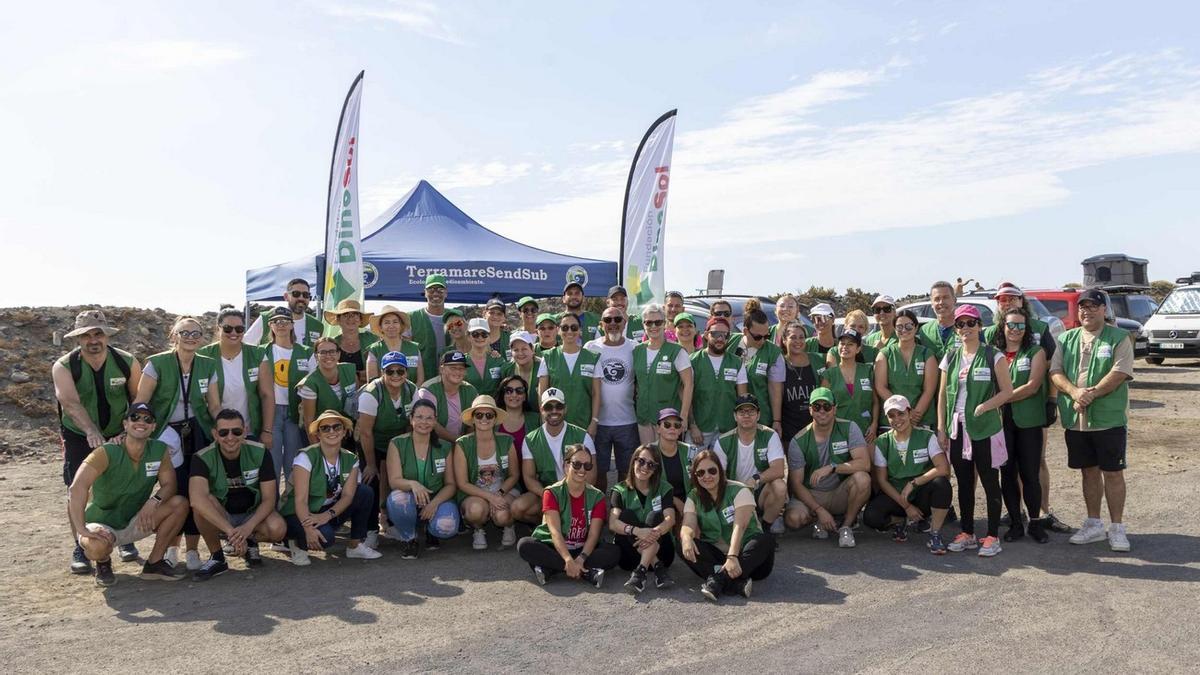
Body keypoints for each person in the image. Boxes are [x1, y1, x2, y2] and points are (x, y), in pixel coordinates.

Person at [53, 310, 142, 574]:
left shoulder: (126, 361)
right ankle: (80, 545)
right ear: (78, 339)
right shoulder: (65, 365)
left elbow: (138, 399)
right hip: (79, 434)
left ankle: (123, 539)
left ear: (107, 335)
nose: (93, 340)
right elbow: (69, 402)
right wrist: (91, 431)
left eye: (98, 333)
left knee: (122, 485)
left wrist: (127, 431)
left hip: (119, 431)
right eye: (86, 335)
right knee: (77, 489)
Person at [1049, 289, 1134, 552]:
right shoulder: (1066, 338)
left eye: (1093, 306)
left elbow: (1120, 372)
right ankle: (1094, 524)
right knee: (1088, 471)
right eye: (1082, 307)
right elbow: (1056, 371)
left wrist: (1090, 395)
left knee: (1113, 472)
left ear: (1104, 310)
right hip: (1077, 420)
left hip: (1108, 419)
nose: (1086, 311)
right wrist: (1074, 392)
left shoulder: (1119, 337)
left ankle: (1117, 528)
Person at [69, 403, 190, 586]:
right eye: (135, 417)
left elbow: (170, 485)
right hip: (102, 522)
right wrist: (82, 529)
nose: (141, 422)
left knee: (179, 504)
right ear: (125, 424)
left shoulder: (158, 450)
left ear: (153, 427)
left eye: (147, 419)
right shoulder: (107, 451)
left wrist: (154, 501)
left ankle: (154, 564)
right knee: (95, 548)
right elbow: (76, 488)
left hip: (137, 518)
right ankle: (102, 563)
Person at [135, 316, 220, 571]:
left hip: (198, 431)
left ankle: (193, 550)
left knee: (197, 490)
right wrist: (138, 432)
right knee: (174, 490)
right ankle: (172, 547)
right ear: (174, 336)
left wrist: (222, 428)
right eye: (185, 332)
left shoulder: (208, 364)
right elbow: (141, 401)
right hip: (165, 434)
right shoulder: (157, 363)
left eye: (197, 333)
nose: (191, 337)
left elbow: (214, 405)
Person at [983, 283, 1070, 534]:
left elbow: (1053, 368)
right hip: (1000, 418)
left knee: (1034, 464)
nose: (1007, 303)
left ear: (1022, 301)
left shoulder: (1040, 331)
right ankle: (1015, 517)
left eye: (1012, 298)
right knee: (1007, 470)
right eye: (1002, 300)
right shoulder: (990, 335)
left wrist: (1052, 400)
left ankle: (1041, 514)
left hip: (1032, 412)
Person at [937, 304, 1014, 557]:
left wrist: (986, 405)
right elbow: (942, 396)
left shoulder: (994, 355)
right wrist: (941, 427)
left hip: (985, 428)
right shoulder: (950, 356)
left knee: (991, 481)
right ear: (956, 328)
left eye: (971, 323)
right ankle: (967, 532)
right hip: (958, 428)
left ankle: (992, 536)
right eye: (960, 324)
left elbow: (1007, 391)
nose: (966, 328)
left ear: (980, 326)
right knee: (964, 482)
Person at [188, 409, 287, 580]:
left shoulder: (260, 452)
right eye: (223, 432)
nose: (230, 437)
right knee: (202, 506)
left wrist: (247, 528)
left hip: (251, 515)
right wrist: (231, 531)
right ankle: (217, 557)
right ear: (215, 434)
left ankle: (249, 542)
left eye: (237, 431)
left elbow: (269, 499)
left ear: (245, 431)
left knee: (278, 528)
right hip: (222, 516)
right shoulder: (202, 457)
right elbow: (196, 500)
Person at [280, 410, 380, 564]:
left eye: (337, 427)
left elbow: (347, 496)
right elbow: (300, 501)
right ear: (318, 434)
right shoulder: (305, 457)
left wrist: (327, 515)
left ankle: (355, 546)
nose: (331, 431)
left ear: (344, 431)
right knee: (326, 539)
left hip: (324, 511)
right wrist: (308, 528)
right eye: (325, 428)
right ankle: (294, 541)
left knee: (364, 492)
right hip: (299, 512)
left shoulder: (350, 458)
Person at [516, 444, 619, 587]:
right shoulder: (551, 493)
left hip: (582, 549)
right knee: (525, 545)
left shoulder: (597, 496)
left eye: (587, 466)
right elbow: (555, 531)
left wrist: (581, 559)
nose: (582, 470)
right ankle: (587, 574)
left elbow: (594, 534)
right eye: (576, 464)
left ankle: (551, 570)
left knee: (614, 552)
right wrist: (567, 560)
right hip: (555, 546)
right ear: (566, 466)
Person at [680, 449, 775, 602]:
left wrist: (732, 556)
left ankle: (718, 580)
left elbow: (740, 526)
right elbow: (688, 523)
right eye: (701, 473)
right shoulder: (694, 496)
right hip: (718, 557)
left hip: (748, 558)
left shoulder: (739, 489)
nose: (707, 476)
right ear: (695, 476)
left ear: (720, 470)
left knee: (766, 540)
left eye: (712, 470)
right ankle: (736, 584)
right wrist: (685, 537)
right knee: (683, 543)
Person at [863, 395, 953, 554]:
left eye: (901, 413)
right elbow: (882, 481)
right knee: (871, 517)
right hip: (897, 496)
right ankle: (901, 520)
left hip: (920, 494)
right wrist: (906, 506)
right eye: (891, 415)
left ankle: (935, 533)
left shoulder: (927, 436)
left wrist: (914, 482)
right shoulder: (882, 442)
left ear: (910, 413)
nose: (897, 419)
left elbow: (943, 468)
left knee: (942, 484)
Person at [784, 387, 871, 547]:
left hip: (839, 492)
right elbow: (796, 484)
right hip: (813, 494)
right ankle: (818, 520)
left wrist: (833, 467)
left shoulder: (849, 428)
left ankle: (846, 525)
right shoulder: (799, 440)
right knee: (793, 519)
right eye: (817, 407)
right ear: (810, 410)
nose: (822, 411)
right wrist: (819, 510)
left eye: (827, 406)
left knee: (863, 479)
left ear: (835, 408)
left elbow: (864, 463)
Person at [993, 308, 1050, 543]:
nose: (1015, 330)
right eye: (1011, 325)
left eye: (1020, 325)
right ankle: (1016, 523)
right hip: (1000, 423)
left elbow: (1032, 386)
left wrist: (998, 399)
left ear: (1026, 329)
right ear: (1003, 327)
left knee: (1029, 474)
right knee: (1006, 474)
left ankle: (1035, 524)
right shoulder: (994, 354)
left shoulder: (1035, 352)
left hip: (1029, 422)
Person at [356, 351, 418, 547]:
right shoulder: (371, 393)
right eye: (390, 371)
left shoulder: (412, 390)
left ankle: (392, 523)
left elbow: (411, 425)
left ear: (406, 372)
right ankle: (371, 530)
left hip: (397, 441)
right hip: (371, 440)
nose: (396, 375)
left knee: (398, 479)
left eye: (400, 370)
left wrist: (407, 454)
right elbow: (365, 432)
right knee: (371, 480)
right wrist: (372, 464)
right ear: (382, 372)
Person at [385, 400, 460, 559]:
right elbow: (394, 481)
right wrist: (413, 484)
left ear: (435, 420)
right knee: (397, 499)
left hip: (437, 499)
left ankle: (431, 531)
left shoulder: (445, 447)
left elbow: (451, 485)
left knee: (446, 527)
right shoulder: (397, 443)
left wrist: (434, 503)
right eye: (419, 417)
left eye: (429, 418)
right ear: (411, 419)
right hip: (409, 497)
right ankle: (409, 538)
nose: (424, 422)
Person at [511, 388, 597, 523]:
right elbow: (529, 478)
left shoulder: (582, 436)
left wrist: (571, 496)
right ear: (541, 409)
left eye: (559, 406)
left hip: (577, 493)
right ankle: (547, 526)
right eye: (548, 407)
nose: (554, 411)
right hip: (547, 492)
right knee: (517, 508)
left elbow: (591, 476)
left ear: (565, 409)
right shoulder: (531, 439)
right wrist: (549, 495)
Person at [715, 395, 788, 535]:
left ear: (758, 415)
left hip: (759, 490)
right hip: (733, 492)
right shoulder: (722, 441)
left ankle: (765, 530)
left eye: (751, 411)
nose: (746, 415)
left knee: (779, 486)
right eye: (741, 412)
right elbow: (719, 477)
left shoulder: (770, 435)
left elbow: (778, 470)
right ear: (735, 416)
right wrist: (738, 489)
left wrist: (755, 478)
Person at [584, 306, 639, 491]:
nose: (613, 324)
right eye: (608, 320)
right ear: (601, 324)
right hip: (598, 422)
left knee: (627, 471)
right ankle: (599, 510)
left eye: (617, 319)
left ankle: (621, 508)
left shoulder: (635, 347)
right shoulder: (591, 347)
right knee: (598, 471)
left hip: (628, 420)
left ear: (625, 323)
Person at [257, 307, 315, 482]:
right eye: (276, 321)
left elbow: (314, 383)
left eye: (285, 321)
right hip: (270, 413)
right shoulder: (260, 351)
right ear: (270, 326)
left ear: (292, 325)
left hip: (295, 414)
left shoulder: (306, 352)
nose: (281, 324)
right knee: (271, 463)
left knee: (293, 463)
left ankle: (290, 505)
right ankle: (271, 505)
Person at [454, 395, 520, 550]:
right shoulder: (462, 444)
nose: (484, 418)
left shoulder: (507, 441)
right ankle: (478, 529)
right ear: (473, 418)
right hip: (475, 494)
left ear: (495, 418)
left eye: (489, 415)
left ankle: (509, 526)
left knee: (502, 516)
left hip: (504, 491)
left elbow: (514, 475)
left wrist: (499, 494)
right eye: (479, 415)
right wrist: (490, 497)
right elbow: (462, 483)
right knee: (475, 512)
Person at [608, 445, 676, 593]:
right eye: (641, 461)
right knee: (625, 515)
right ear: (633, 462)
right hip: (629, 557)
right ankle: (657, 568)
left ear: (656, 469)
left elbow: (670, 519)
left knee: (656, 516)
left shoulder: (665, 488)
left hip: (663, 553)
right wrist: (637, 531)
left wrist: (654, 532)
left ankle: (640, 572)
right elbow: (613, 524)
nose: (645, 467)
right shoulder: (619, 490)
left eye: (651, 464)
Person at [197, 308, 268, 441]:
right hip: (215, 431)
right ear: (218, 329)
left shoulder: (257, 354)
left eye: (239, 329)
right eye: (228, 329)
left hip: (249, 431)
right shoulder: (203, 355)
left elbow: (267, 394)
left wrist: (267, 430)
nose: (234, 333)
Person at [632, 303, 694, 444]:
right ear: (644, 325)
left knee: (667, 459)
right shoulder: (637, 351)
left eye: (658, 322)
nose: (653, 326)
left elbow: (688, 384)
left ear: (665, 324)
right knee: (649, 459)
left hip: (668, 420)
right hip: (644, 417)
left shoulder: (677, 351)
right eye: (649, 322)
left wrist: (684, 415)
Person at [688, 317, 748, 449]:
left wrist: (739, 428)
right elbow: (686, 397)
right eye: (715, 334)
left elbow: (742, 399)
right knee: (692, 467)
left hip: (727, 429)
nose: (720, 338)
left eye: (725, 335)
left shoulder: (737, 363)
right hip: (699, 429)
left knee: (723, 468)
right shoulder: (692, 361)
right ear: (706, 335)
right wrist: (692, 426)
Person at [875, 309, 938, 430]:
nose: (904, 330)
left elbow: (929, 390)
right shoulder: (885, 354)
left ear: (915, 328)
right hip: (893, 421)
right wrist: (901, 411)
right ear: (894, 329)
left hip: (920, 419)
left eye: (909, 326)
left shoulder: (927, 355)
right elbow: (880, 387)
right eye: (899, 327)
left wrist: (913, 416)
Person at [537, 313, 600, 432]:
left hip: (584, 423)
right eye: (565, 328)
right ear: (558, 330)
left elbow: (596, 393)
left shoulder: (592, 358)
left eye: (574, 327)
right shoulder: (549, 357)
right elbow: (542, 391)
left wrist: (594, 421)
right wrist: (544, 419)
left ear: (580, 330)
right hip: (555, 422)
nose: (569, 331)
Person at [820, 328, 879, 442]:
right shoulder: (829, 375)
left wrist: (874, 424)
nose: (845, 347)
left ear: (858, 349)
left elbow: (875, 402)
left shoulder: (868, 370)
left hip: (866, 431)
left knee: (866, 459)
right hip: (837, 432)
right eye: (842, 343)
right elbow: (823, 406)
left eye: (850, 344)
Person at [297, 337, 357, 444]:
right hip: (319, 434)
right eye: (323, 352)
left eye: (332, 351)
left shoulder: (350, 370)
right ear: (316, 356)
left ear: (338, 354)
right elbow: (308, 422)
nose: (328, 355)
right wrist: (318, 450)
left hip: (346, 431)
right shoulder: (309, 384)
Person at [738, 301, 785, 436]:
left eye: (767, 336)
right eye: (758, 337)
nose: (763, 341)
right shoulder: (730, 343)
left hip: (760, 420)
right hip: (729, 419)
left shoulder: (774, 352)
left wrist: (777, 420)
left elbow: (775, 389)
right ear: (745, 331)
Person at [417, 351, 479, 443]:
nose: (457, 372)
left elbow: (475, 420)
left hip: (463, 443)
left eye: (461, 368)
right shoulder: (428, 390)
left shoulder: (471, 390)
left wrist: (466, 441)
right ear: (442, 369)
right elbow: (430, 422)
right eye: (453, 368)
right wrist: (457, 440)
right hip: (434, 443)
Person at [244, 278, 324, 347]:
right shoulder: (266, 318)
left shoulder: (317, 325)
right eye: (296, 294)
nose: (301, 298)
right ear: (286, 296)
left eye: (306, 295)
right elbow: (246, 345)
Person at [651, 408, 696, 519]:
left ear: (680, 430)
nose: (672, 428)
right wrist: (674, 500)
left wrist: (689, 505)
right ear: (658, 429)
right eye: (667, 424)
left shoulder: (690, 451)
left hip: (689, 502)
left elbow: (697, 483)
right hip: (658, 502)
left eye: (677, 425)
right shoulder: (649, 452)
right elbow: (646, 485)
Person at [779, 321, 818, 447]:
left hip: (816, 428)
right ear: (784, 340)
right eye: (793, 337)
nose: (798, 341)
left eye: (801, 337)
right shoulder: (779, 364)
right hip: (790, 430)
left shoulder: (817, 360)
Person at [365, 305, 425, 385]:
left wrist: (411, 395)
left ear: (401, 325)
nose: (391, 326)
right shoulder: (374, 350)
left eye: (395, 322)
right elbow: (372, 383)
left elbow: (420, 380)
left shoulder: (414, 348)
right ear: (381, 327)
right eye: (387, 322)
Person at [324, 299, 377, 387]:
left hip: (369, 392)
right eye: (345, 315)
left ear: (360, 320)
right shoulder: (331, 344)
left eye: (355, 314)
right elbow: (328, 373)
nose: (350, 318)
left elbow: (380, 370)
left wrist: (349, 374)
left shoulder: (372, 339)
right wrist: (361, 375)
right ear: (338, 320)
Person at [408, 274, 451, 375]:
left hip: (452, 379)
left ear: (446, 293)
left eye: (440, 290)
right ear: (425, 293)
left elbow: (466, 343)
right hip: (422, 380)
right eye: (431, 290)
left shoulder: (456, 316)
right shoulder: (411, 317)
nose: (435, 293)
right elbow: (407, 351)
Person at [496, 374, 541, 457]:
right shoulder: (492, 421)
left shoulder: (537, 420)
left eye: (519, 390)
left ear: (524, 396)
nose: (514, 395)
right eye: (509, 390)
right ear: (503, 395)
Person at [464, 317, 506, 398]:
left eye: (484, 334)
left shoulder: (499, 360)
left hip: (494, 408)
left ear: (489, 337)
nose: (480, 337)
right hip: (470, 408)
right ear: (469, 337)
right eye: (475, 334)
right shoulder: (462, 362)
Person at [500, 331, 541, 413]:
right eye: (516, 350)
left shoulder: (543, 367)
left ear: (532, 349)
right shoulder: (506, 369)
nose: (520, 353)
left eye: (524, 349)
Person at [919, 280, 959, 362]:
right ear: (932, 303)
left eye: (945, 297)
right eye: (937, 299)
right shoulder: (925, 331)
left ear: (954, 300)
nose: (941, 302)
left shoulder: (966, 328)